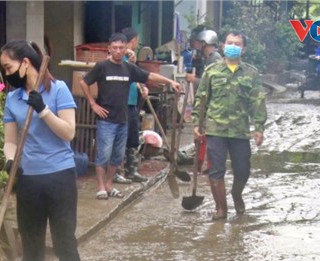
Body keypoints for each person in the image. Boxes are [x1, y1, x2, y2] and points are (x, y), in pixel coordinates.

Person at [0, 40, 83, 261]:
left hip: (60, 177)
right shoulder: (12, 99)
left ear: (25, 63)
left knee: (64, 241)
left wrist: (44, 110)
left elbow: (69, 133)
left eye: (8, 67)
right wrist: (10, 160)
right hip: (29, 179)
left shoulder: (58, 90)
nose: (5, 73)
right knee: (32, 244)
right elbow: (10, 141)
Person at [80, 32, 182, 200]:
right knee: (103, 156)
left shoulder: (129, 68)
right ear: (109, 49)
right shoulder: (101, 67)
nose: (118, 51)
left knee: (118, 157)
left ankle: (109, 185)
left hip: (123, 120)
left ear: (126, 48)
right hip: (106, 121)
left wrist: (170, 82)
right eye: (115, 48)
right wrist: (93, 104)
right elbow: (84, 82)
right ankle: (100, 187)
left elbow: (149, 76)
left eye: (121, 48)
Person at [192, 31, 267, 220]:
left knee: (242, 169)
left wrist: (259, 127)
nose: (233, 46)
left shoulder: (251, 73)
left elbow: (257, 100)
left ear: (244, 49)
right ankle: (221, 209)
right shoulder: (212, 71)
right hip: (215, 128)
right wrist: (197, 123)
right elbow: (201, 99)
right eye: (230, 43)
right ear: (223, 46)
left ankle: (236, 193)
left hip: (239, 130)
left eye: (238, 44)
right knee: (216, 170)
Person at [187, 29, 223, 174]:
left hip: (212, 104)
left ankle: (207, 166)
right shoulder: (209, 58)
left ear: (206, 43)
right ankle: (202, 166)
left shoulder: (215, 59)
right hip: (207, 103)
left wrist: (193, 80)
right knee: (203, 135)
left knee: (207, 136)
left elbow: (209, 83)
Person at [120, 26, 149, 183]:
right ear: (133, 41)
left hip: (131, 103)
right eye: (137, 41)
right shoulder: (119, 57)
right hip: (120, 103)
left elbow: (135, 75)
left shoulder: (131, 60)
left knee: (132, 137)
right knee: (120, 138)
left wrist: (142, 86)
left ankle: (132, 170)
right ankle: (118, 171)